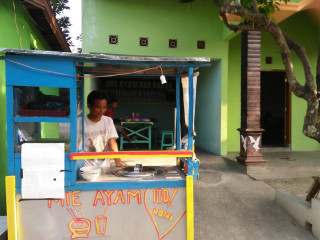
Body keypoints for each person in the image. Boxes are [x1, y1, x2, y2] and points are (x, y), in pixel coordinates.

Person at [78, 90, 127, 167]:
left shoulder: (108, 121)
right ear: (89, 106)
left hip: (104, 166)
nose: (102, 111)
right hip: (86, 168)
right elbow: (76, 145)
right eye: (98, 107)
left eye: (104, 107)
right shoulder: (79, 122)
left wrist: (118, 161)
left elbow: (112, 142)